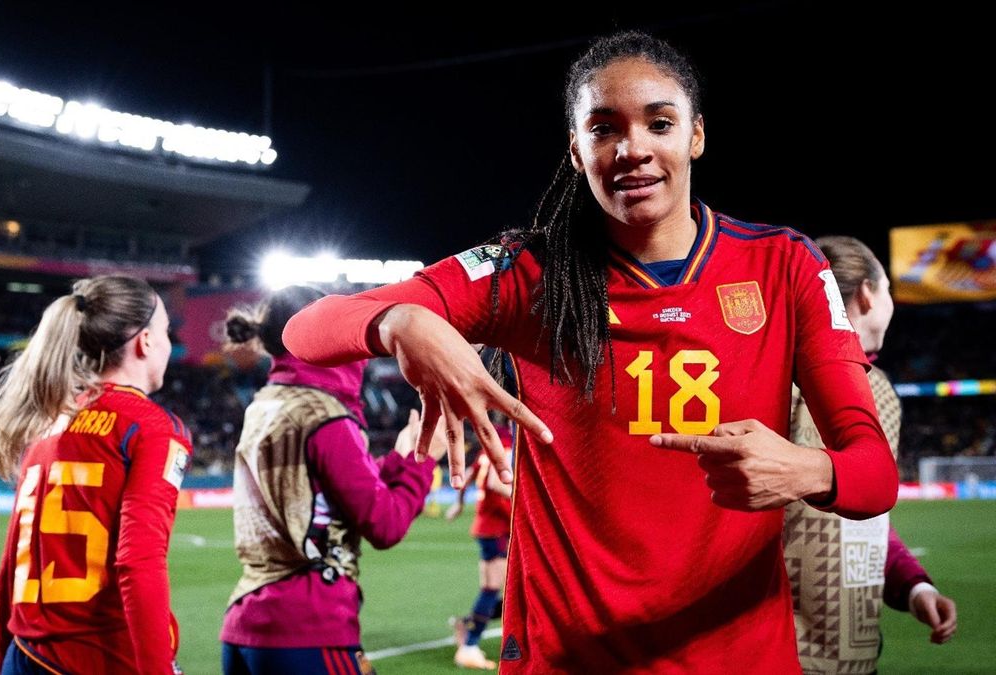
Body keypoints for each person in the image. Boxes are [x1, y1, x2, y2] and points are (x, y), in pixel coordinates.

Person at [282, 30, 899, 672]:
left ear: (696, 136)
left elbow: (874, 471)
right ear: (577, 150)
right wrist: (400, 320)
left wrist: (811, 472)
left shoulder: (786, 265)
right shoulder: (527, 271)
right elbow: (308, 328)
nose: (633, 149)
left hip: (738, 657)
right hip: (567, 657)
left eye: (659, 123)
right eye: (604, 129)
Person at [219, 285, 448, 675]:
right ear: (321, 335)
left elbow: (328, 488)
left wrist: (396, 459)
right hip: (307, 626)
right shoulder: (325, 415)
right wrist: (419, 461)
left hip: (245, 624)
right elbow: (384, 525)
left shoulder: (267, 403)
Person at [0, 275, 192, 675]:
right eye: (166, 331)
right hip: (95, 658)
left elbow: (7, 573)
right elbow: (139, 561)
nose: (169, 344)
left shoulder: (48, 424)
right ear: (145, 341)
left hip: (24, 654)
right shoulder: (151, 427)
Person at [784, 236, 958, 673]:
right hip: (780, 653)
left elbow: (866, 522)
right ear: (867, 294)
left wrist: (914, 587)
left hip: (854, 656)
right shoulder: (777, 376)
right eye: (888, 289)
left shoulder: (879, 387)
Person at [445, 422, 513, 670]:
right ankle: (470, 645)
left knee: (496, 588)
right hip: (497, 528)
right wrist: (523, 498)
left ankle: (468, 625)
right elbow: (496, 483)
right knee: (498, 589)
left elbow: (467, 478)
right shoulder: (505, 446)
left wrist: (459, 505)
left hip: (487, 528)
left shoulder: (485, 451)